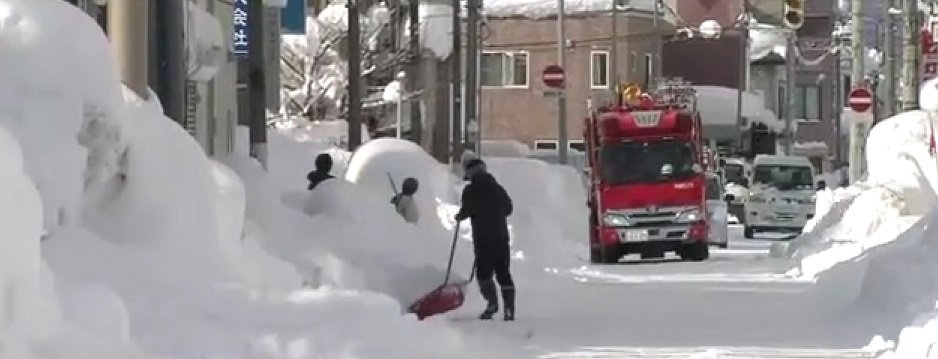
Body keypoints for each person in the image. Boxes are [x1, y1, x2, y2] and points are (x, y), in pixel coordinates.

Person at [455, 158, 515, 321]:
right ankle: (509, 310)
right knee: (503, 273)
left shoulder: (470, 190)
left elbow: (466, 210)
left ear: (470, 172)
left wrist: (460, 215)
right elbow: (509, 209)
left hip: (482, 239)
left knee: (484, 274)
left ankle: (492, 304)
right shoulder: (497, 188)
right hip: (500, 237)